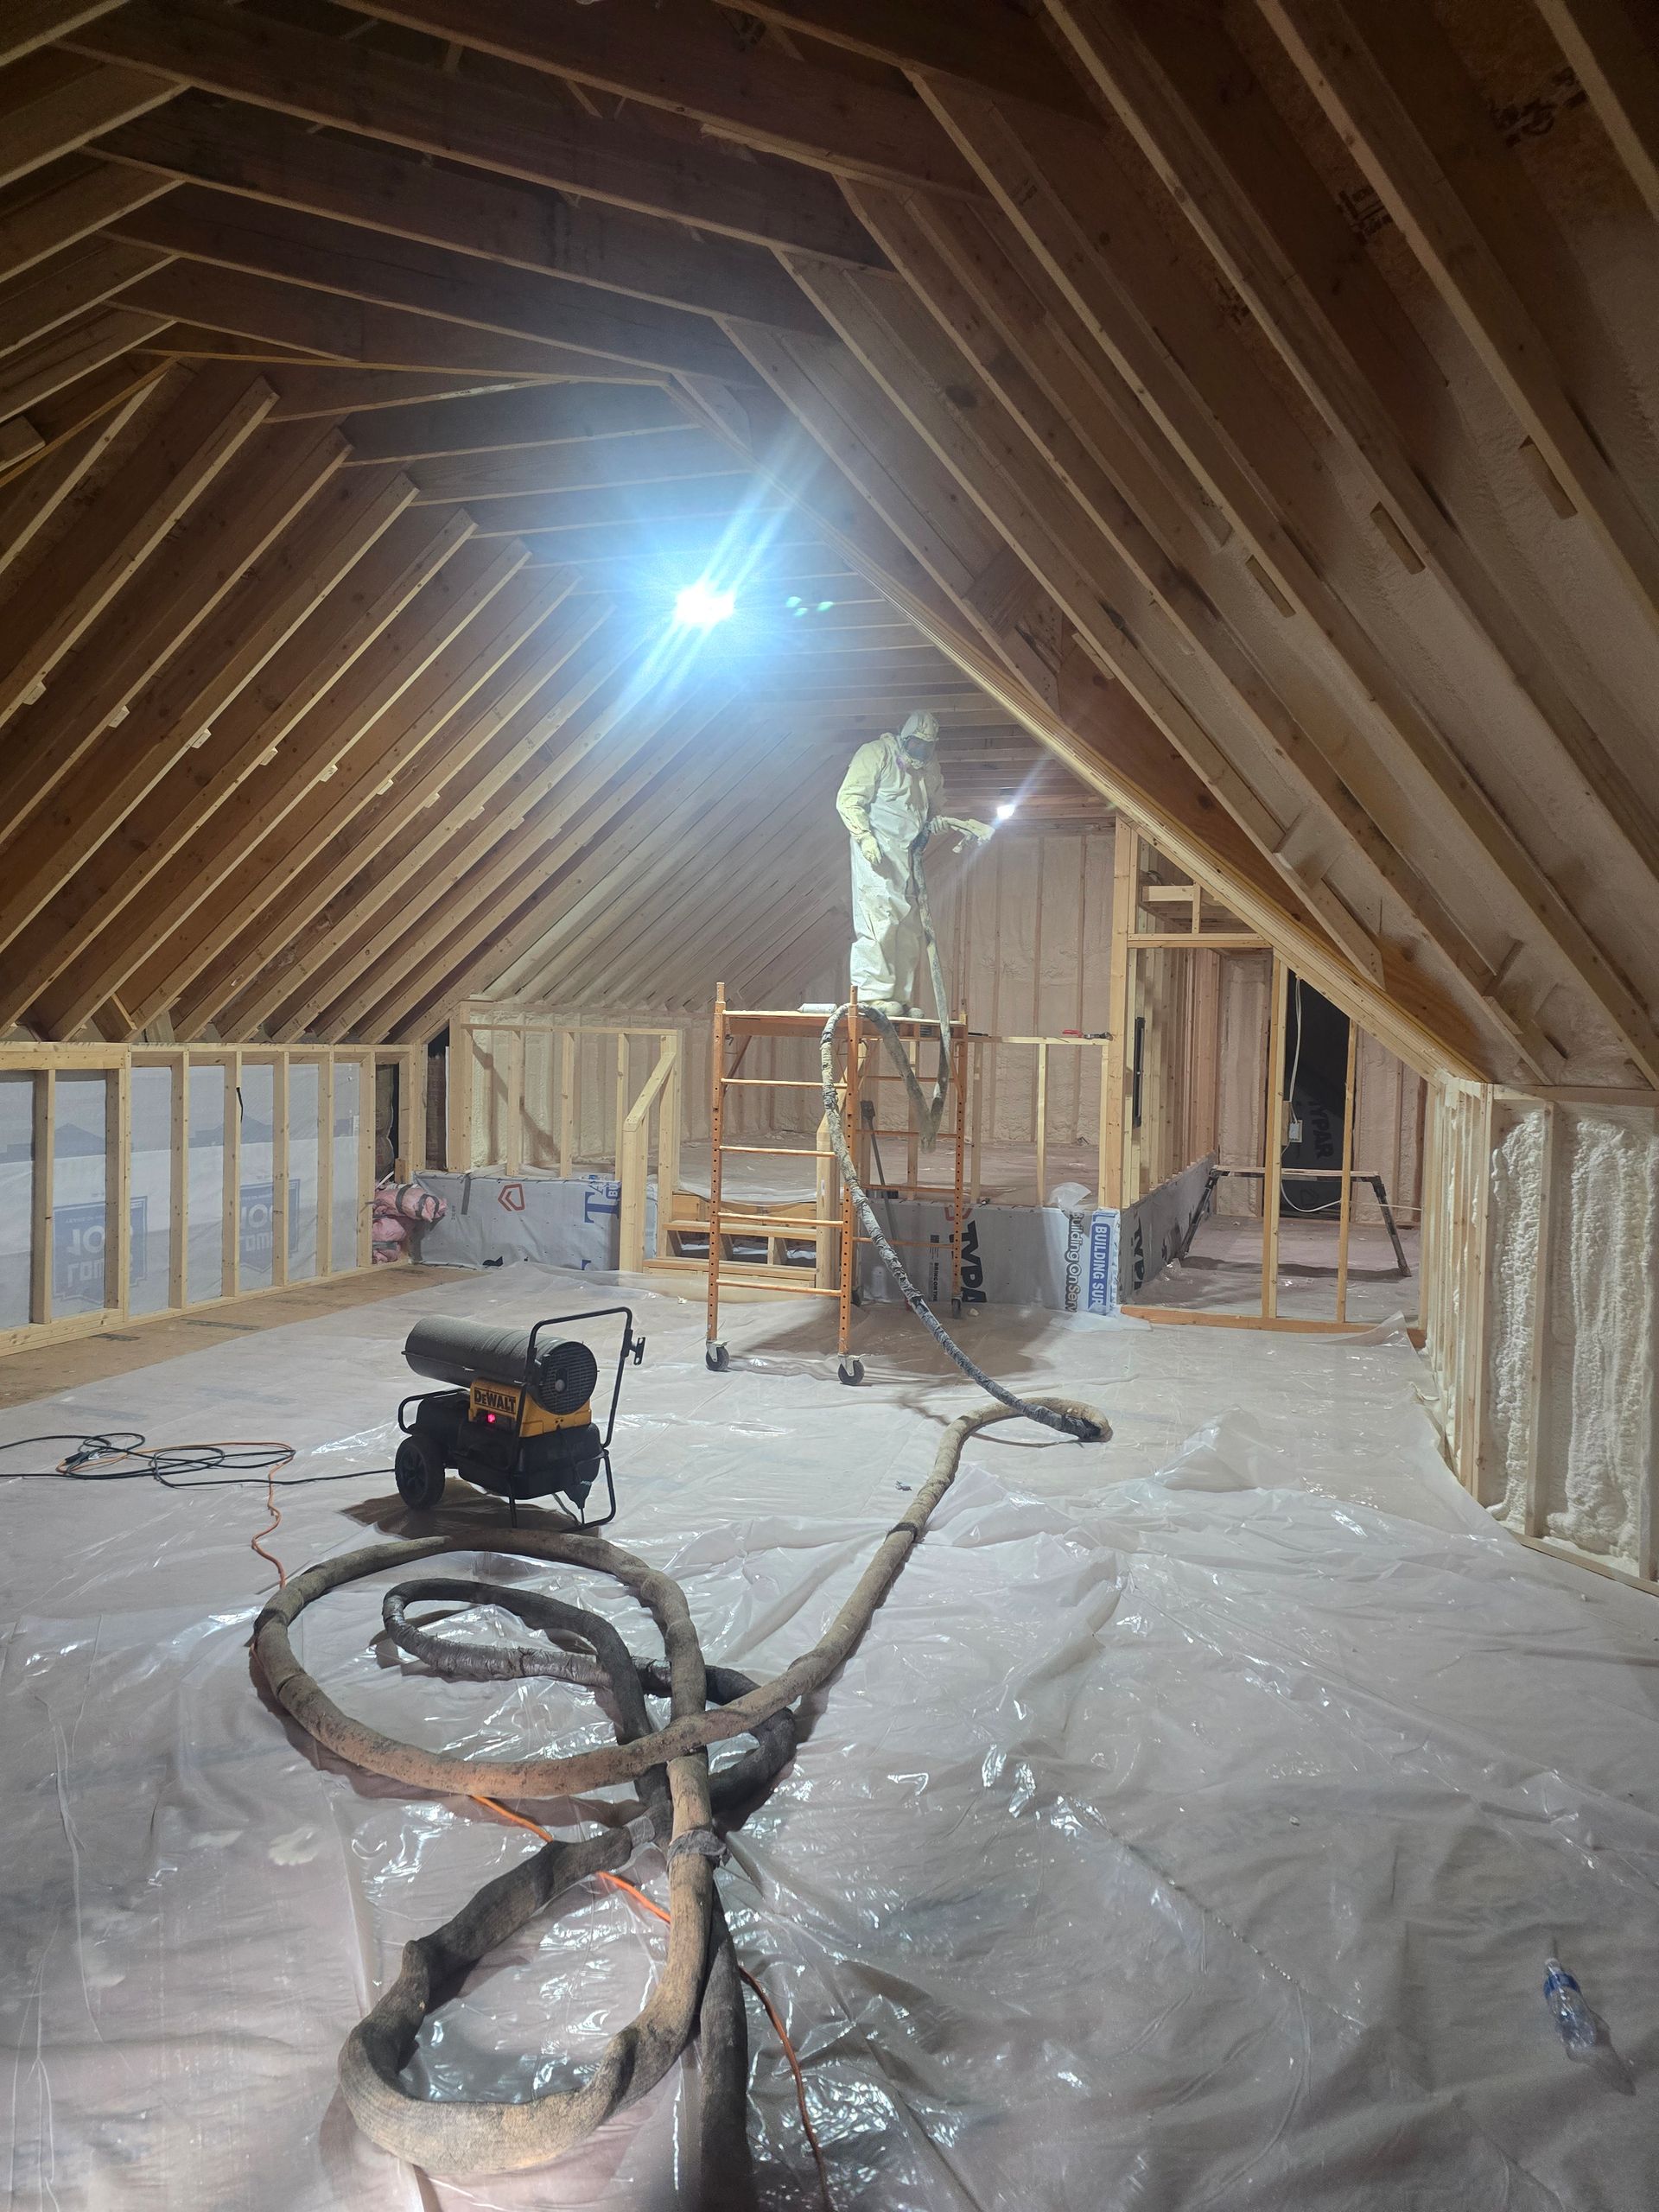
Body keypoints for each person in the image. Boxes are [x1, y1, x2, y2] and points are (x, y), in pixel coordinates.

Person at [835, 709, 992, 1016]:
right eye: (916, 744)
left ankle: (897, 997)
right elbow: (849, 798)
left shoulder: (929, 768)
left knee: (907, 927)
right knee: (879, 917)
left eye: (927, 746)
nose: (921, 751)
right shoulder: (876, 754)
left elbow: (933, 806)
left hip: (909, 853)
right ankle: (871, 995)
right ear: (903, 737)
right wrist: (864, 837)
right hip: (878, 851)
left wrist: (934, 824)